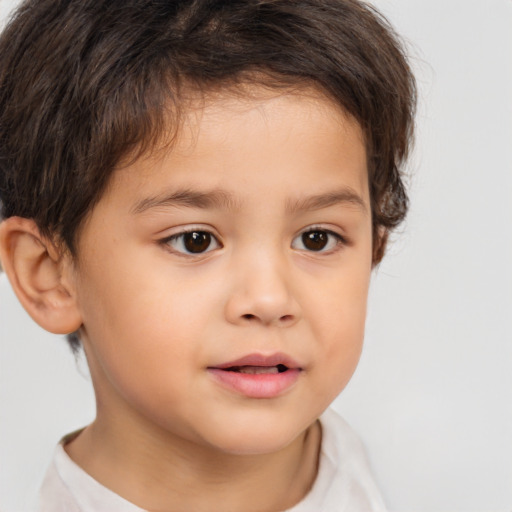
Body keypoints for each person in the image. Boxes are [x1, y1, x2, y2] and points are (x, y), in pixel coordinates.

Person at [0, 0, 416, 510]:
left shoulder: (423, 478)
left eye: (316, 238)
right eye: (194, 240)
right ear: (49, 275)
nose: (267, 299)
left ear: (375, 245)